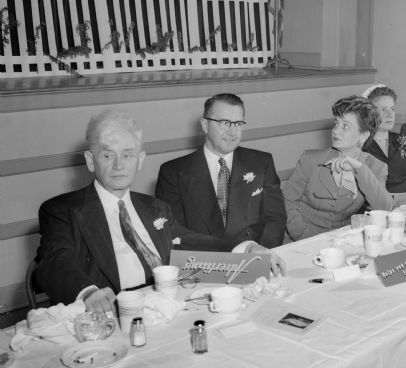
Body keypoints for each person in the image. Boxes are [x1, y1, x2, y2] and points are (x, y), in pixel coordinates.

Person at [35, 110, 281, 313]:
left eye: (128, 155)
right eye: (107, 155)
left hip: (166, 307)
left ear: (140, 160)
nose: (119, 165)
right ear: (90, 161)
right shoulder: (63, 210)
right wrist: (88, 292)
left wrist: (245, 248)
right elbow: (54, 262)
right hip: (113, 315)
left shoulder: (154, 208)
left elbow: (191, 241)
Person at [155, 93, 286, 248]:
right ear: (205, 125)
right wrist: (237, 252)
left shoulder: (261, 163)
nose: (232, 132)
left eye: (238, 124)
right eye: (225, 123)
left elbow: (275, 219)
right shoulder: (173, 173)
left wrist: (263, 255)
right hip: (203, 263)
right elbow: (175, 231)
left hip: (257, 259)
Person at [283, 96, 393, 241]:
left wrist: (359, 168)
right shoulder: (310, 160)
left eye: (345, 126)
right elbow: (287, 202)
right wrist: (304, 236)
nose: (336, 131)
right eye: (336, 123)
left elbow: (383, 208)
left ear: (363, 136)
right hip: (299, 238)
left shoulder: (375, 167)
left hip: (343, 241)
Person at [362, 84, 406, 203]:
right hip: (374, 209)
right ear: (369, 113)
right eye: (383, 109)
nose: (390, 114)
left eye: (392, 109)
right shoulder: (362, 146)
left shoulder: (404, 140)